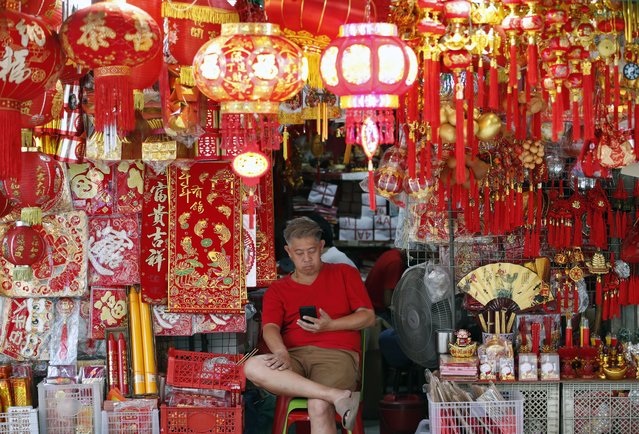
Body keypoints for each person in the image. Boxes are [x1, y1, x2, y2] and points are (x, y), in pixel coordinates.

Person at [244, 217, 375, 433]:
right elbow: (270, 327)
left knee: (318, 404)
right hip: (292, 356)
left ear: (322, 247)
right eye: (299, 253)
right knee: (252, 366)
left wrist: (330, 326)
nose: (306, 259)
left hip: (336, 355)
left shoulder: (344, 273)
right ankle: (334, 395)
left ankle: (326, 396)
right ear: (288, 251)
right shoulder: (278, 288)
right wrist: (281, 352)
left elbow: (367, 317)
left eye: (312, 251)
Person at [364, 248, 407, 316]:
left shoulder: (391, 253)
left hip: (369, 304)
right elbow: (387, 301)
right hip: (378, 309)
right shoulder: (396, 262)